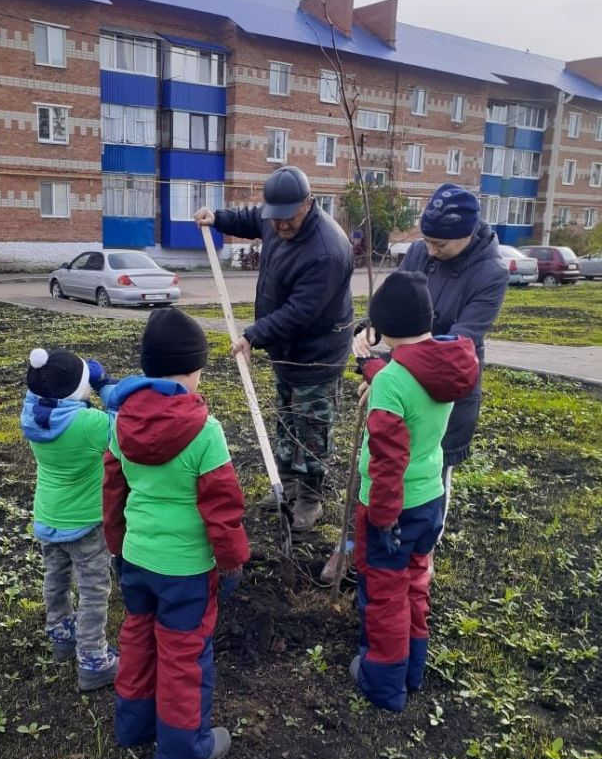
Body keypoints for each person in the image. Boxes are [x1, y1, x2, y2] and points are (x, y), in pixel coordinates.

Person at [102, 308, 250, 759]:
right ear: (192, 370)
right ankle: (183, 748)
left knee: (139, 639)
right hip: (186, 570)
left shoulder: (119, 423)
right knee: (184, 655)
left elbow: (114, 493)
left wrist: (115, 546)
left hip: (137, 560)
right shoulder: (206, 432)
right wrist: (232, 562)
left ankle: (133, 727)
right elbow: (222, 508)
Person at [194, 166, 354, 531]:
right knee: (285, 417)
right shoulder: (278, 218)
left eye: (287, 218)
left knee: (312, 426)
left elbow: (301, 312)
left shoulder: (326, 251)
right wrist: (217, 218)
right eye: (275, 217)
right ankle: (288, 482)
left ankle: (310, 499)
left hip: (317, 355)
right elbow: (254, 220)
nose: (279, 226)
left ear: (308, 204)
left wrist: (253, 335)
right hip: (287, 349)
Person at [349, 271, 479, 711]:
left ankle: (383, 685)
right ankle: (412, 670)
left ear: (383, 328)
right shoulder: (443, 366)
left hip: (392, 510)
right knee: (414, 585)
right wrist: (371, 366)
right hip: (429, 500)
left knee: (384, 595)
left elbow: (386, 459)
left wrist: (382, 520)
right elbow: (408, 375)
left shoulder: (392, 383)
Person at [353, 183, 508, 522]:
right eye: (426, 240)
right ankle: (357, 541)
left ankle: (424, 548)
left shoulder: (490, 274)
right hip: (402, 373)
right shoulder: (421, 251)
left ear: (467, 234)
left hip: (446, 386)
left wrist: (385, 373)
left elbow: (457, 343)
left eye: (439, 244)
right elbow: (398, 297)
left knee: (432, 471)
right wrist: (374, 326)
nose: (430, 250)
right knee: (380, 456)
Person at [21, 348, 118, 692]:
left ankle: (61, 637)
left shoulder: (33, 415)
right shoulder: (89, 425)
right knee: (93, 590)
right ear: (79, 389)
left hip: (48, 516)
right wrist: (103, 384)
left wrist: (74, 377)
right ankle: (93, 660)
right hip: (85, 522)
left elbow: (46, 386)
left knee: (56, 578)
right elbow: (122, 423)